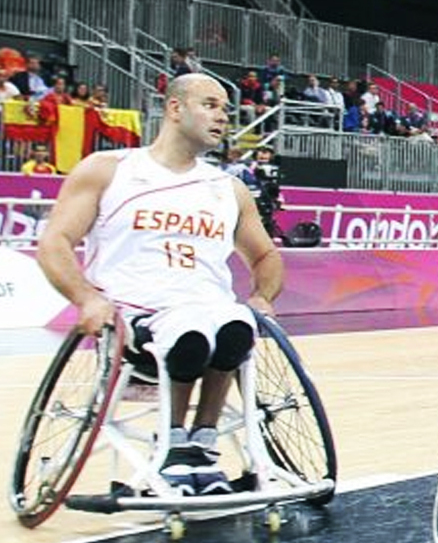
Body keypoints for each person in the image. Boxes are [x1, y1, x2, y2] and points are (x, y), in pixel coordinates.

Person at [35, 74, 284, 495]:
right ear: (175, 108)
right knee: (191, 331)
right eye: (210, 104)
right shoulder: (109, 170)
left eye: (226, 108)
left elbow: (266, 255)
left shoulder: (229, 189)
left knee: (236, 324)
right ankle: (170, 441)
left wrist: (262, 295)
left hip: (211, 311)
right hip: (135, 316)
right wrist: (85, 299)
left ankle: (200, 441)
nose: (223, 116)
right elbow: (54, 243)